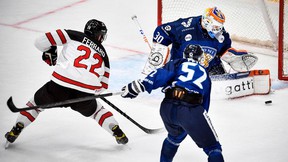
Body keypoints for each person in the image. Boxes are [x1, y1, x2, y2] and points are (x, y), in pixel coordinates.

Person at [5, 19, 128, 147]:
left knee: (35, 105)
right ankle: (116, 131)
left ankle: (17, 128)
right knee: (97, 111)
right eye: (102, 35)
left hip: (59, 86)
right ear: (98, 34)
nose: (102, 38)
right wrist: (88, 89)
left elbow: (39, 42)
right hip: (85, 93)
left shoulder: (73, 35)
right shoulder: (104, 55)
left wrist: (49, 49)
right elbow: (103, 86)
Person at [121, 44, 224, 162]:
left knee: (173, 138)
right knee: (213, 148)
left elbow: (161, 75)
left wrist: (141, 85)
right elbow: (204, 105)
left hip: (167, 108)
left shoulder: (178, 62)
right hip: (190, 110)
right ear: (200, 58)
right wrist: (193, 121)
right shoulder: (204, 73)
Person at [144, 6, 257, 75]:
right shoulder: (185, 27)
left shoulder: (221, 35)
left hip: (210, 70)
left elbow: (224, 49)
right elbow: (162, 30)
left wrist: (232, 57)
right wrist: (158, 53)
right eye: (216, 27)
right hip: (182, 70)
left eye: (220, 27)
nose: (219, 30)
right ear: (207, 22)